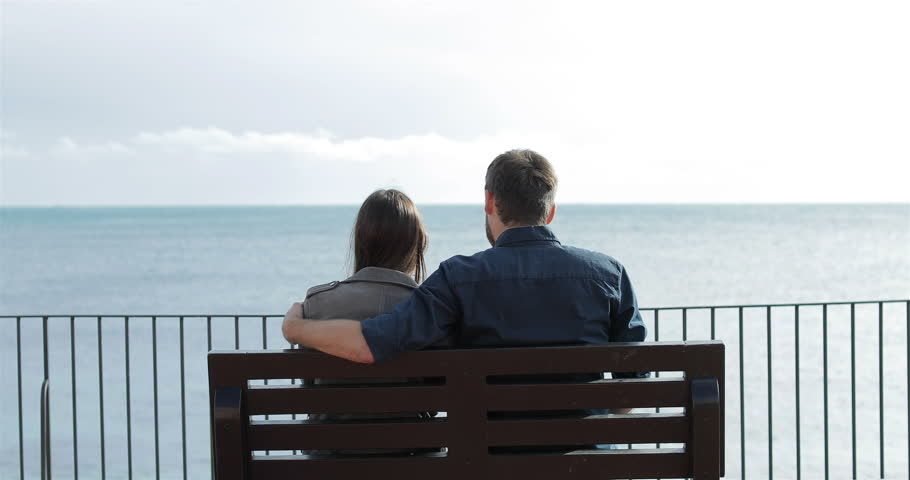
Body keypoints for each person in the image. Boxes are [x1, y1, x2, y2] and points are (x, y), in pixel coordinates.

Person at [283, 149, 648, 399]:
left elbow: (371, 345)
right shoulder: (609, 275)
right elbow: (633, 385)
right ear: (549, 212)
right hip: (589, 464)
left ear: (490, 201)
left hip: (492, 464)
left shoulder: (458, 278)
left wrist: (297, 328)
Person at [284, 188, 440, 454]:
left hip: (330, 464)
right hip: (412, 461)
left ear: (361, 242)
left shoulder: (317, 305)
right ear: (418, 244)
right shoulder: (432, 309)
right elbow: (436, 396)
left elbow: (311, 388)